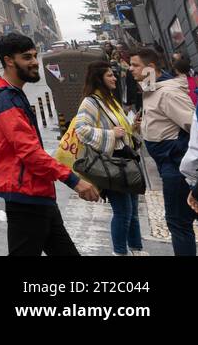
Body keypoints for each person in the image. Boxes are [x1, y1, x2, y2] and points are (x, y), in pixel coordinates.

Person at [0, 34, 99, 255]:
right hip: (23, 195)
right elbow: (29, 152)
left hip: (31, 192)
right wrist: (74, 181)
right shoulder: (6, 100)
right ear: (9, 61)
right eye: (26, 57)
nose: (34, 62)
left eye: (34, 55)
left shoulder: (11, 94)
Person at [129, 47, 197, 256]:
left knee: (178, 222)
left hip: (177, 167)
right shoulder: (151, 88)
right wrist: (144, 126)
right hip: (170, 165)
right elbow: (163, 123)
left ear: (150, 68)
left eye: (135, 65)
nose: (130, 69)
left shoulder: (167, 93)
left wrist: (176, 154)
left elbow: (194, 126)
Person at [73, 62, 145, 256]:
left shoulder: (110, 100)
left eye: (113, 75)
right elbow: (81, 129)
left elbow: (123, 131)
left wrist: (133, 127)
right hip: (112, 164)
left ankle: (136, 249)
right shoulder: (91, 101)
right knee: (123, 212)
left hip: (126, 161)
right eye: (109, 76)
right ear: (99, 79)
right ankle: (120, 252)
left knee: (133, 212)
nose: (114, 78)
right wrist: (111, 133)